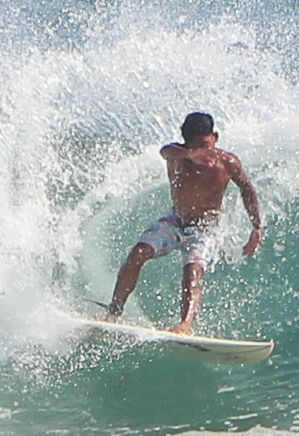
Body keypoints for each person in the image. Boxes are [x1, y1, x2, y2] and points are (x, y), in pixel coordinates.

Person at [104, 112, 265, 334]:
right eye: (195, 146)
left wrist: (256, 227)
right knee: (138, 253)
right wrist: (190, 154)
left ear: (215, 138)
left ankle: (185, 324)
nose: (203, 152)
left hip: (206, 228)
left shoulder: (228, 163)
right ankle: (113, 313)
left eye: (206, 145)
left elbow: (247, 189)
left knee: (193, 270)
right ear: (186, 144)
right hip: (175, 221)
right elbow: (165, 151)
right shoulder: (177, 156)